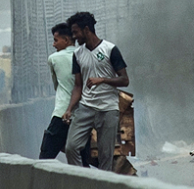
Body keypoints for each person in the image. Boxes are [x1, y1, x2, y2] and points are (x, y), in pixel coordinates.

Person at [61, 11, 129, 172]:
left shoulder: (110, 50)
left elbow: (125, 80)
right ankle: (81, 180)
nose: (74, 36)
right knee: (71, 147)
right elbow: (78, 86)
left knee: (106, 156)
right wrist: (69, 109)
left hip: (108, 109)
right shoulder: (77, 54)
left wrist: (103, 79)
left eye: (76, 32)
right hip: (86, 108)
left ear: (86, 29)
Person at [39, 22, 77, 161]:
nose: (54, 45)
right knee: (83, 160)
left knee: (45, 159)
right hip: (83, 116)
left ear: (66, 40)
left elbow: (56, 85)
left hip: (62, 114)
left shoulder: (54, 59)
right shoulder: (85, 55)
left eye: (56, 40)